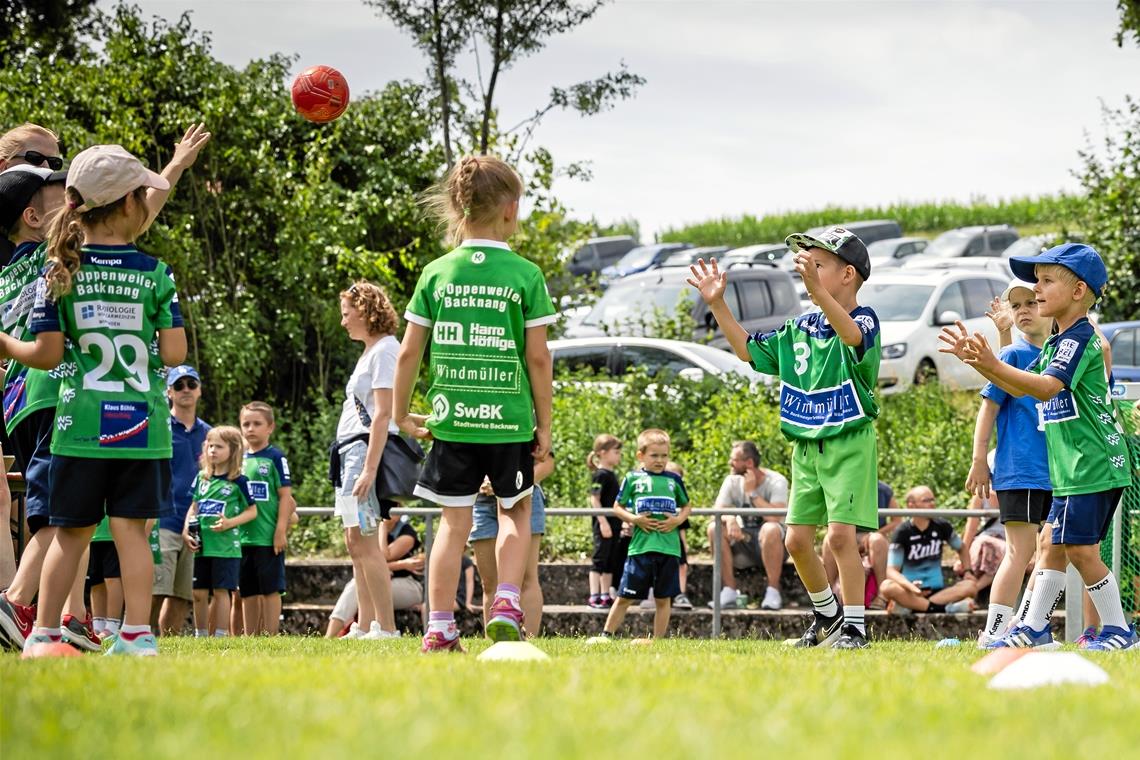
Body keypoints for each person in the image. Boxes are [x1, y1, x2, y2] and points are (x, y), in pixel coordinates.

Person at [1, 143, 192, 656]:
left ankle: (42, 633)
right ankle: (137, 635)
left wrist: (2, 344)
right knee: (132, 534)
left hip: (78, 427)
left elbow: (43, 355)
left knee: (68, 534)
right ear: (132, 204)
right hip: (140, 428)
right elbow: (175, 353)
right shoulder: (156, 274)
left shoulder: (58, 272)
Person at [688, 226, 881, 649]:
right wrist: (717, 303)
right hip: (805, 446)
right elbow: (746, 350)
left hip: (848, 442)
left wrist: (818, 293)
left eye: (818, 263)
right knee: (796, 539)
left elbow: (851, 336)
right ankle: (828, 617)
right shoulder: (798, 327)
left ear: (847, 274)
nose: (806, 267)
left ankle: (855, 629)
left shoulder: (863, 319)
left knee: (841, 536)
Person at [393, 154, 555, 652]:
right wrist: (543, 426)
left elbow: (408, 353)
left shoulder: (437, 272)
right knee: (515, 510)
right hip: (508, 421)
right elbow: (539, 359)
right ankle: (506, 599)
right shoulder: (525, 274)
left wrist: (400, 415)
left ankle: (439, 627)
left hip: (452, 419)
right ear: (509, 208)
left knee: (453, 523)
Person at [942, 243, 1136, 650]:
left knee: (1081, 551)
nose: (1037, 289)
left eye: (1047, 281)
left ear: (1079, 291)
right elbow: (1020, 389)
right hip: (1072, 468)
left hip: (1093, 463)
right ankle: (1035, 629)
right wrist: (983, 365)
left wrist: (991, 364)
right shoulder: (1055, 343)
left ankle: (1118, 631)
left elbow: (1047, 389)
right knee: (1049, 544)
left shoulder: (1078, 339)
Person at [331, 281, 401, 640]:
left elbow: (383, 414)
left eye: (346, 314)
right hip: (348, 451)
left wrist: (369, 470)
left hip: (361, 451)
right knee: (353, 539)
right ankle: (364, 624)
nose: (343, 322)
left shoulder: (386, 350)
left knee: (365, 538)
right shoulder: (370, 351)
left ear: (365, 310)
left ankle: (386, 628)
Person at [591, 429, 690, 642]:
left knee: (664, 599)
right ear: (641, 456)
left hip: (669, 548)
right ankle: (606, 635)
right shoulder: (632, 479)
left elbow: (687, 505)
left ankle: (657, 641)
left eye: (664, 455)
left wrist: (677, 520)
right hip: (640, 548)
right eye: (654, 455)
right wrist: (634, 519)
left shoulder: (674, 480)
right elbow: (617, 507)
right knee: (625, 596)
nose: (660, 460)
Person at [152, 364, 211, 635]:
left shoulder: (210, 435)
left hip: (198, 521)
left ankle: (169, 644)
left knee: (182, 594)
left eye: (191, 384)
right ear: (169, 392)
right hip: (163, 517)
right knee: (156, 589)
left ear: (199, 391)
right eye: (179, 385)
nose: (186, 389)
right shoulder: (160, 425)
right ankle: (142, 637)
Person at [182, 426, 257, 637]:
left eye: (219, 446)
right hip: (201, 545)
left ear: (233, 451)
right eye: (210, 445)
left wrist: (230, 522)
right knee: (198, 592)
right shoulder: (201, 478)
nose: (213, 450)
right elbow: (194, 507)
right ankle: (201, 634)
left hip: (225, 548)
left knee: (221, 591)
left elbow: (252, 512)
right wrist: (186, 529)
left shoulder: (239, 481)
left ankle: (220, 635)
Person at [471, 454, 554, 635]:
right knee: (489, 583)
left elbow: (547, 463)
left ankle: (530, 642)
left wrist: (510, 483)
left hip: (523, 497)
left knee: (527, 578)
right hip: (481, 502)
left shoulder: (530, 424)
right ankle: (493, 643)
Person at [706, 440, 789, 611]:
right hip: (743, 541)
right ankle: (729, 590)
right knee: (714, 528)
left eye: (734, 460)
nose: (730, 463)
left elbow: (775, 517)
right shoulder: (731, 480)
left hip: (773, 544)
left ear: (749, 463)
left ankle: (773, 590)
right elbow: (718, 510)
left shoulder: (776, 481)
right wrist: (730, 519)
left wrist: (752, 493)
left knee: (771, 528)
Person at [238, 401, 296, 635]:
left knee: (271, 589)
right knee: (248, 590)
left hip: (267, 537)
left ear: (270, 427)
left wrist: (280, 530)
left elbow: (285, 497)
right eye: (246, 424)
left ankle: (271, 634)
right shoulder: (238, 459)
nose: (251, 428)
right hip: (242, 538)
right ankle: (250, 636)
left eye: (257, 424)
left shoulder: (275, 458)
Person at [879, 486, 977, 615]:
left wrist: (968, 571)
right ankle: (945, 609)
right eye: (926, 500)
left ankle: (912, 607)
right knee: (887, 586)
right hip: (910, 591)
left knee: (970, 586)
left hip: (939, 593)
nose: (932, 504)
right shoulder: (902, 531)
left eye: (932, 500)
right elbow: (891, 571)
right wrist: (912, 587)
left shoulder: (942, 525)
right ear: (911, 505)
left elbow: (962, 548)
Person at [586, 433, 622, 609]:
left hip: (615, 525)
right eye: (616, 451)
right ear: (602, 453)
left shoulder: (612, 474)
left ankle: (605, 594)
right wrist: (603, 522)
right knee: (599, 560)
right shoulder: (599, 475)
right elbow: (594, 499)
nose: (619, 455)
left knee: (610, 560)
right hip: (604, 524)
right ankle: (594, 595)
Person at [86, 517, 123, 643]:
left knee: (112, 579)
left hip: (113, 535)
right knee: (95, 582)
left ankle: (112, 626)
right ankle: (98, 626)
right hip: (92, 535)